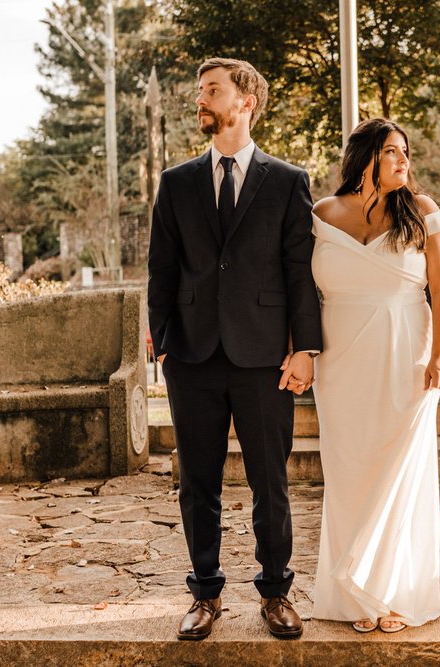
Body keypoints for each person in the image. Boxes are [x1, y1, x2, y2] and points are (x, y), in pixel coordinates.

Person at [147, 57, 322, 641]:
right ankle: (205, 594)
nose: (202, 99)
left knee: (270, 480)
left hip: (264, 355)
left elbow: (301, 273)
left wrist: (306, 350)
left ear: (245, 101)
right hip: (192, 358)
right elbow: (161, 271)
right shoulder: (175, 183)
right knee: (198, 482)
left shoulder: (288, 181)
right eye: (201, 91)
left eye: (213, 91)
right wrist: (164, 345)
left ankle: (276, 593)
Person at [310, 118, 440, 633]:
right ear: (365, 156)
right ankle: (354, 599)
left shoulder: (424, 213)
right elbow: (302, 292)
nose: (402, 161)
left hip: (407, 356)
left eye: (405, 152)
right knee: (350, 472)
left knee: (401, 472)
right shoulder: (322, 214)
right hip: (341, 359)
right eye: (391, 151)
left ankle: (395, 594)